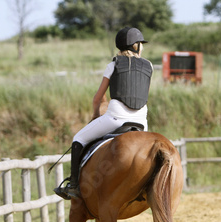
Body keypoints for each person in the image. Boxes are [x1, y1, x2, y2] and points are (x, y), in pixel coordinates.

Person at [54, 27, 153, 200]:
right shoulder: (149, 66)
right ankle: (146, 185)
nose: (142, 47)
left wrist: (95, 115)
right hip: (141, 122)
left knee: (78, 139)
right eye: (140, 44)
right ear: (135, 46)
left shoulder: (113, 65)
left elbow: (98, 98)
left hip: (115, 118)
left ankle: (74, 186)